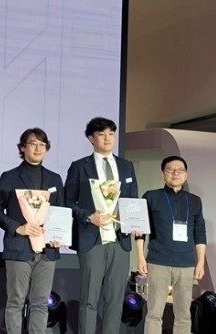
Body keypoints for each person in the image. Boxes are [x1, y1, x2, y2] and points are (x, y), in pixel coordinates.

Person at [65, 117, 138, 334]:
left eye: (111, 134)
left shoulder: (126, 166)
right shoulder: (79, 167)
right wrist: (89, 217)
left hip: (120, 239)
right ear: (91, 138)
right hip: (92, 239)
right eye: (101, 134)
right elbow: (68, 201)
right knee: (89, 299)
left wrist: (135, 222)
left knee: (115, 300)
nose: (107, 138)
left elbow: (133, 200)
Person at [0, 128, 65, 334]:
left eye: (42, 145)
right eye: (33, 143)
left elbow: (60, 212)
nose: (38, 148)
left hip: (47, 251)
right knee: (16, 301)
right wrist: (17, 227)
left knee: (40, 303)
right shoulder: (9, 177)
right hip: (19, 249)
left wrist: (58, 236)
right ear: (23, 147)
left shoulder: (54, 179)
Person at [135, 156, 206, 334]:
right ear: (162, 174)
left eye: (180, 170)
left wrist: (200, 262)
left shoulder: (195, 201)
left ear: (186, 175)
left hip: (186, 264)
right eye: (170, 169)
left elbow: (200, 233)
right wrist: (140, 257)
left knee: (183, 315)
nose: (175, 173)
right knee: (154, 314)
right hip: (158, 261)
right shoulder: (151, 196)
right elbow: (141, 229)